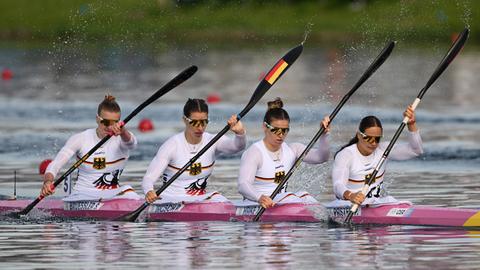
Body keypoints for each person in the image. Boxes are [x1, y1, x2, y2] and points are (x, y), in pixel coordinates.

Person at [142, 98, 246, 203]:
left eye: (204, 122)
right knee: (216, 197)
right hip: (170, 200)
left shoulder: (212, 141)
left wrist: (240, 133)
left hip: (198, 200)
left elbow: (237, 147)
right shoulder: (172, 146)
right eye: (195, 122)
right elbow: (149, 178)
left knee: (217, 197)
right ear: (185, 120)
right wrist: (149, 191)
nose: (200, 127)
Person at [41, 95, 140, 201]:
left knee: (128, 190)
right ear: (97, 119)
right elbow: (55, 164)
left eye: (114, 123)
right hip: (82, 195)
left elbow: (132, 144)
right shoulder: (80, 139)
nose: (109, 127)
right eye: (105, 122)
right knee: (128, 191)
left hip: (112, 195)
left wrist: (123, 131)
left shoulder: (123, 138)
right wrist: (48, 182)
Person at [237, 98, 330, 208]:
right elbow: (243, 185)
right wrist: (260, 198)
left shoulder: (293, 149)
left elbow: (321, 157)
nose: (281, 135)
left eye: (285, 130)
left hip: (282, 202)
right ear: (265, 127)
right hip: (256, 204)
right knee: (291, 197)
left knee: (306, 196)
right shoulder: (255, 153)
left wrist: (324, 135)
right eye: (276, 130)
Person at [330, 105, 423, 207]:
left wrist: (411, 124)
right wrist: (351, 196)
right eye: (369, 138)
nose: (374, 143)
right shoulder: (346, 155)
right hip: (347, 205)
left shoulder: (384, 150)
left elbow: (416, 150)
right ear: (359, 135)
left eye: (377, 139)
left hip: (376, 204)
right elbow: (338, 185)